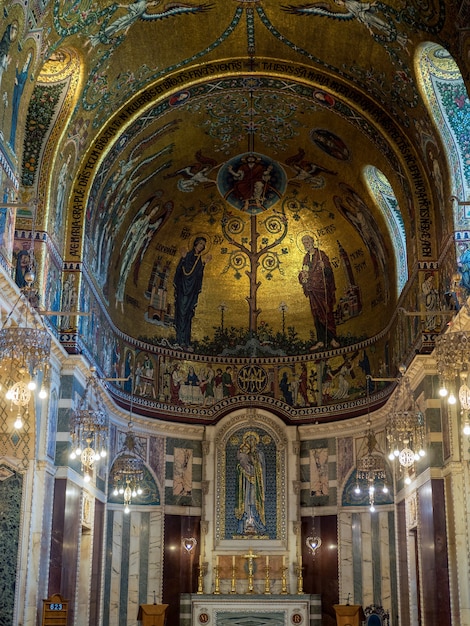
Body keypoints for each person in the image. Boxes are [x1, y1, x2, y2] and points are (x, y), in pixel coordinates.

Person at [298, 234, 339, 349]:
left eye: (307, 242)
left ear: (312, 242)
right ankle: (320, 340)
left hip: (322, 289)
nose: (306, 245)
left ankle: (332, 338)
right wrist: (303, 277)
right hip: (312, 290)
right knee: (316, 314)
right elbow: (304, 272)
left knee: (326, 312)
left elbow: (329, 272)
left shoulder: (321, 255)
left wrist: (324, 267)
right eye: (304, 243)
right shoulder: (306, 258)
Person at [173, 236, 210, 348]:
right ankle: (179, 339)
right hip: (183, 290)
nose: (201, 246)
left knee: (188, 315)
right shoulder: (187, 256)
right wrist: (183, 259)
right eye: (200, 244)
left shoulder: (199, 260)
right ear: (195, 244)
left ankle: (186, 341)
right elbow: (180, 271)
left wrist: (204, 264)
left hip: (191, 292)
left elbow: (198, 275)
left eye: (203, 245)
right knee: (181, 314)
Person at [235, 431, 266, 535]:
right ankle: (243, 526)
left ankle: (257, 525)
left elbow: (260, 469)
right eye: (248, 441)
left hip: (255, 484)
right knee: (245, 502)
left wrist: (253, 464)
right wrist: (243, 468)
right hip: (244, 485)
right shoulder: (242, 458)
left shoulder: (258, 454)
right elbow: (239, 468)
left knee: (253, 501)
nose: (251, 443)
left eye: (252, 440)